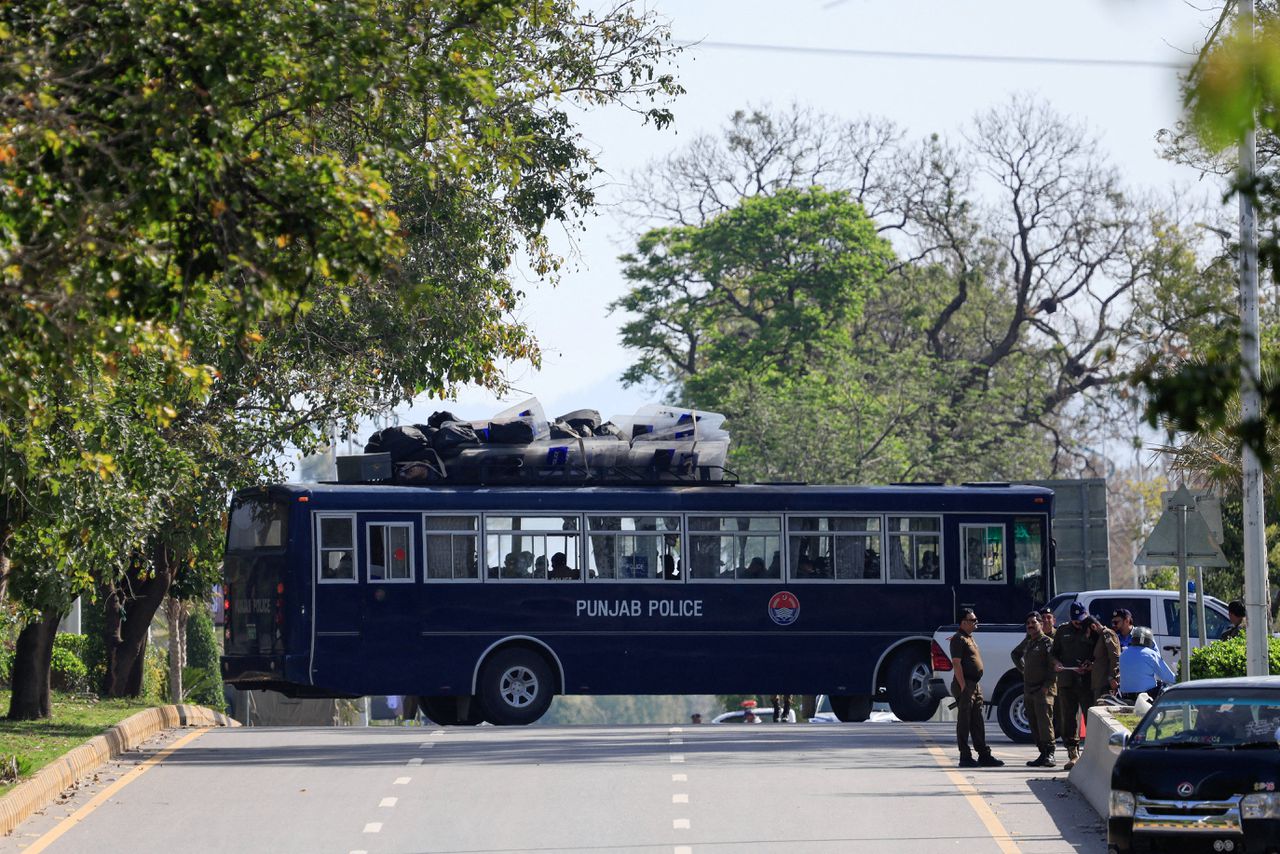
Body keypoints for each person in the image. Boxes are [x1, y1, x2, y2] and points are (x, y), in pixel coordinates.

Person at [950, 609, 1004, 768]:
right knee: (964, 722)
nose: (975, 622)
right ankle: (964, 756)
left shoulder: (969, 638)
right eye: (972, 620)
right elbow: (956, 663)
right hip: (965, 684)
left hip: (974, 685)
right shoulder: (958, 639)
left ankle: (983, 754)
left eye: (975, 619)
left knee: (977, 721)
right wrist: (963, 686)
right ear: (963, 622)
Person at [1051, 601, 1095, 770]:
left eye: (1081, 619)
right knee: (1068, 719)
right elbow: (1053, 654)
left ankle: (1091, 753)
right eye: (1076, 620)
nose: (1079, 623)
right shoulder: (1062, 631)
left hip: (1086, 682)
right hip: (1067, 681)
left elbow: (1099, 652)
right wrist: (1056, 663)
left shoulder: (1092, 629)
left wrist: (1090, 664)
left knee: (1090, 718)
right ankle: (1073, 754)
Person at [1012, 611, 1057, 767]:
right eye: (1028, 624)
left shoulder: (1047, 642)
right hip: (1029, 689)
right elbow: (1015, 654)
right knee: (1034, 724)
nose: (1030, 626)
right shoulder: (1029, 642)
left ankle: (1050, 754)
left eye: (1033, 622)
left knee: (1045, 723)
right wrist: (1023, 670)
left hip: (1043, 690)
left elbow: (1054, 667)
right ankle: (1042, 753)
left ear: (1041, 624)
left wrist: (1047, 686)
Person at [1118, 626, 1177, 703]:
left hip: (1125, 695)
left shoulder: (1123, 654)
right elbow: (1168, 677)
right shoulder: (1151, 654)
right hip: (1146, 696)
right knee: (1165, 686)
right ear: (1149, 641)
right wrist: (1180, 679)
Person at [1087, 614, 1122, 703]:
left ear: (1093, 626)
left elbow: (1115, 657)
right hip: (1099, 682)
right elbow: (1102, 659)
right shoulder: (1101, 637)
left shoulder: (1107, 634)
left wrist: (1112, 677)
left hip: (1105, 684)